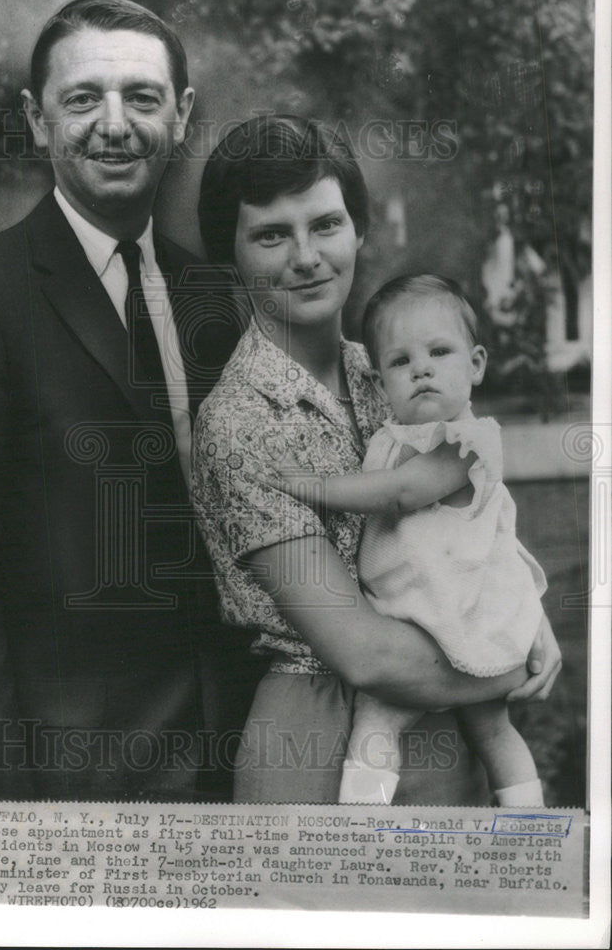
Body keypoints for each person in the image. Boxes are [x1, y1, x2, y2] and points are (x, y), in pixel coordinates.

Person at [0, 0, 260, 801]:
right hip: (73, 774)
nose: (114, 124)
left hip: (240, 755)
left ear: (179, 115)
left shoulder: (217, 297)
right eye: (83, 98)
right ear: (37, 120)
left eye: (141, 97)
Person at [191, 115, 561, 804]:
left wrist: (522, 609)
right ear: (230, 254)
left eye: (325, 224)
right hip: (314, 727)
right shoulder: (240, 420)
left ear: (358, 230)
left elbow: (465, 525)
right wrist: (510, 655)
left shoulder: (389, 376)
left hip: (441, 719)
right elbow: (362, 653)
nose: (305, 256)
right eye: (271, 234)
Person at [273, 274, 547, 806]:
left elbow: (401, 493)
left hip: (464, 614)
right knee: (376, 722)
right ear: (379, 385)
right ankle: (366, 825)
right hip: (409, 622)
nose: (421, 368)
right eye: (400, 362)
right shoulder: (389, 438)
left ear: (477, 365)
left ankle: (528, 828)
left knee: (493, 730)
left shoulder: (468, 441)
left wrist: (312, 486)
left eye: (439, 352)